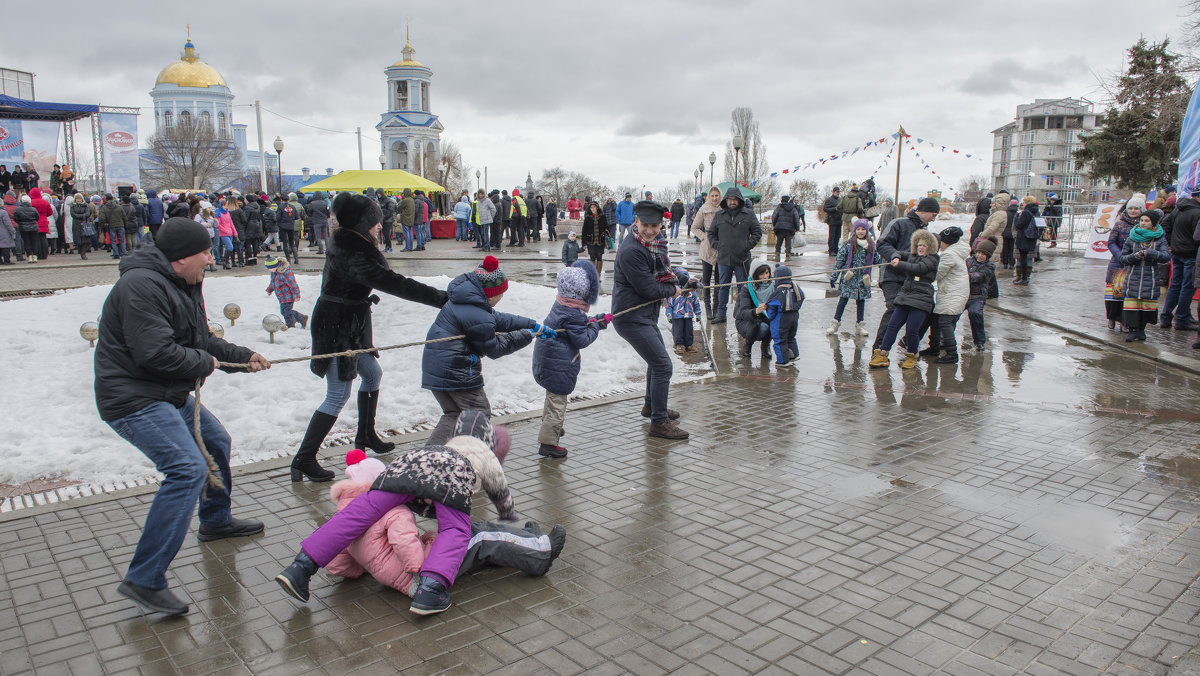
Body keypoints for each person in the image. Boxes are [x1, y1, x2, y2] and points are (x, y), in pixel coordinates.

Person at [95, 216, 270, 616]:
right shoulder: (140, 286)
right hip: (134, 399)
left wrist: (241, 357)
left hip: (166, 391)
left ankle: (215, 520)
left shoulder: (185, 282)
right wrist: (205, 362)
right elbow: (155, 353)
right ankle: (145, 578)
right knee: (187, 470)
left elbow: (199, 341)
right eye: (205, 253)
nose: (211, 260)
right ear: (179, 259)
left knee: (216, 441)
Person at [276, 411, 520, 615]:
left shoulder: (447, 445)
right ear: (488, 440)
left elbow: (426, 477)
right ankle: (431, 590)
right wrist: (507, 512)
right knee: (455, 530)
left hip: (404, 467)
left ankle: (301, 567)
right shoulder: (485, 453)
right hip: (451, 477)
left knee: (357, 514)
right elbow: (499, 488)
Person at [292, 192, 449, 482]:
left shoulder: (352, 242)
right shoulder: (354, 251)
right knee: (337, 394)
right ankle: (304, 457)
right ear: (363, 224)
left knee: (372, 374)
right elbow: (395, 283)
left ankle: (365, 434)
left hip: (351, 321)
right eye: (375, 222)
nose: (380, 227)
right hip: (336, 326)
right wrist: (442, 298)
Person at [321, 449, 566, 593]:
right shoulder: (390, 510)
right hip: (423, 574)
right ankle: (540, 554)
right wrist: (419, 574)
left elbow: (338, 565)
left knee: (476, 541)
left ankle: (529, 540)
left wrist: (370, 565)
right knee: (479, 536)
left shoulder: (344, 515)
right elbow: (404, 541)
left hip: (399, 577)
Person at [423, 255, 552, 445]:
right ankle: (473, 459)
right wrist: (526, 335)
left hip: (436, 367)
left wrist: (531, 324)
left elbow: (498, 319)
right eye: (501, 293)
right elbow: (495, 348)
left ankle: (431, 460)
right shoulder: (476, 312)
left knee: (454, 414)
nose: (502, 297)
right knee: (479, 415)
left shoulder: (467, 299)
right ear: (491, 293)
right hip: (457, 371)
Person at [611, 200, 690, 439]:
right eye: (645, 224)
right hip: (630, 316)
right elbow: (649, 289)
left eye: (654, 226)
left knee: (656, 362)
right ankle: (658, 422)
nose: (649, 230)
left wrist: (680, 278)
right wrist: (674, 290)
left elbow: (660, 271)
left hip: (643, 314)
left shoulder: (653, 244)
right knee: (663, 365)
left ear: (661, 224)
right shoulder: (632, 250)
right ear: (636, 222)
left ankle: (652, 406)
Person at [532, 262, 607, 458]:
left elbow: (579, 327)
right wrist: (596, 326)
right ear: (581, 293)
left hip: (547, 361)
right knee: (558, 403)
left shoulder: (561, 304)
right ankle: (548, 443)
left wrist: (595, 321)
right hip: (559, 366)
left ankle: (550, 427)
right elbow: (583, 339)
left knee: (552, 398)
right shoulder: (574, 314)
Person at [872, 197, 940, 351]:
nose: (933, 219)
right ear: (923, 210)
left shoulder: (924, 231)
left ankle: (909, 343)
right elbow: (882, 244)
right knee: (894, 309)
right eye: (933, 215)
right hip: (892, 277)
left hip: (913, 280)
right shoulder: (899, 223)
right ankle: (879, 349)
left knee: (927, 310)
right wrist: (895, 256)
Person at [869, 229, 940, 369]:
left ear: (930, 247)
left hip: (921, 300)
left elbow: (918, 269)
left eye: (924, 246)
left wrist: (899, 264)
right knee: (892, 325)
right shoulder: (912, 255)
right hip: (904, 297)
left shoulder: (932, 259)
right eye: (919, 245)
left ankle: (912, 355)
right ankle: (883, 353)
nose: (921, 247)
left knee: (912, 330)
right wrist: (895, 256)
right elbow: (900, 253)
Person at [708, 187, 762, 323]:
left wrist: (747, 245)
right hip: (724, 258)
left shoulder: (748, 214)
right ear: (726, 200)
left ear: (739, 200)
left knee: (743, 287)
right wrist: (717, 245)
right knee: (723, 286)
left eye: (734, 199)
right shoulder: (719, 215)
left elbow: (757, 232)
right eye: (729, 199)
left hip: (742, 258)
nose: (732, 202)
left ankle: (743, 313)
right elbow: (711, 233)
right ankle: (721, 314)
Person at [1120, 209, 1170, 342]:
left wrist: (1151, 254)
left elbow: (1165, 257)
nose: (1143, 223)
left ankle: (1141, 330)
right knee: (1132, 306)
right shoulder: (1132, 237)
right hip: (1133, 277)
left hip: (1150, 277)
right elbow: (1123, 258)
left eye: (1146, 221)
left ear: (1153, 223)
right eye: (1141, 220)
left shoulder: (1159, 238)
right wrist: (1135, 256)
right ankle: (1132, 330)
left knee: (1146, 307)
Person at [828, 219, 880, 337]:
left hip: (863, 279)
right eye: (858, 229)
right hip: (849, 278)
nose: (860, 232)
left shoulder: (870, 245)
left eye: (863, 229)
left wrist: (881, 252)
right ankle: (835, 323)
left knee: (861, 301)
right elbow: (839, 262)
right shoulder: (848, 245)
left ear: (867, 231)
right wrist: (834, 276)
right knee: (843, 300)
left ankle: (860, 326)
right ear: (855, 230)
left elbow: (877, 260)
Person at [930, 227, 971, 364]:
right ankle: (934, 348)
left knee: (944, 321)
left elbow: (936, 274)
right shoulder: (956, 252)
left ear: (945, 242)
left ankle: (952, 353)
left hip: (953, 293)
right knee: (937, 320)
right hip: (955, 292)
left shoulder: (949, 255)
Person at [1161, 187, 1199, 330]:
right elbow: (1197, 236)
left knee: (1175, 286)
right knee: (1187, 288)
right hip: (1191, 254)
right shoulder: (1197, 212)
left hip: (1177, 253)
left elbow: (1165, 225)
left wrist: (1172, 243)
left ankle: (1166, 317)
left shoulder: (1179, 208)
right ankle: (1182, 320)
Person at [1105, 195, 1143, 331]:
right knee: (1115, 294)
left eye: (1136, 209)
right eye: (1131, 208)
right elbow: (1111, 242)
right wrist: (1120, 255)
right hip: (1119, 262)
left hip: (1135, 264)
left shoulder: (1144, 225)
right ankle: (1112, 318)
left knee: (1129, 296)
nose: (1133, 211)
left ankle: (1125, 321)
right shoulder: (1120, 224)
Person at [735, 258, 774, 358]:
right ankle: (748, 344)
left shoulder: (773, 286)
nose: (765, 277)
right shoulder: (747, 289)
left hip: (765, 318)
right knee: (761, 327)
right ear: (755, 275)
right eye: (761, 274)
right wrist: (756, 311)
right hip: (746, 321)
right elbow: (743, 312)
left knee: (774, 321)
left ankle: (765, 345)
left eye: (766, 273)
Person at [765, 265, 804, 367]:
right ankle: (794, 355)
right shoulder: (795, 287)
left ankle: (782, 361)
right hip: (794, 316)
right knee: (791, 337)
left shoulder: (778, 292)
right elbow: (802, 297)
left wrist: (770, 316)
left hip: (781, 319)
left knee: (779, 340)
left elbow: (772, 308)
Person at [693, 187, 722, 314]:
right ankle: (708, 307)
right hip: (707, 248)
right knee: (706, 278)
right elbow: (694, 227)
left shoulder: (724, 208)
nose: (715, 198)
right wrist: (704, 236)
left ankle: (716, 306)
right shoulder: (704, 209)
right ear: (709, 197)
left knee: (718, 280)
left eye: (717, 195)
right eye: (712, 196)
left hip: (721, 247)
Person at [966, 240, 998, 351]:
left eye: (983, 254)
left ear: (988, 256)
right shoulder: (968, 261)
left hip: (978, 296)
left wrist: (964, 276)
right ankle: (943, 339)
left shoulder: (990, 266)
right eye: (978, 253)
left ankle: (979, 342)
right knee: (951, 316)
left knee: (976, 314)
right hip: (964, 294)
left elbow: (979, 276)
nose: (979, 256)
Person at [665, 267, 702, 354]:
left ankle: (689, 345)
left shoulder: (691, 292)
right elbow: (669, 304)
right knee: (678, 330)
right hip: (677, 315)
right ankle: (679, 345)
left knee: (689, 330)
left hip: (688, 315)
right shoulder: (674, 291)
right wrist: (669, 314)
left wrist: (698, 314)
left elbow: (696, 303)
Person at [265, 255, 308, 330]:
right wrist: (269, 290)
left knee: (287, 311)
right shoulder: (274, 272)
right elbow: (273, 283)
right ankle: (302, 318)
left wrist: (297, 295)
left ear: (275, 265)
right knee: (284, 311)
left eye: (270, 268)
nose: (269, 270)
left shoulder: (285, 272)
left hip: (288, 296)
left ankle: (291, 325)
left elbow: (293, 284)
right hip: (281, 297)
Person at [1012, 196, 1040, 286]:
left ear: (1027, 203)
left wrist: (1016, 218)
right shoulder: (1036, 211)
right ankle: (1026, 277)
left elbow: (1019, 225)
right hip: (1032, 238)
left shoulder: (1025, 212)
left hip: (1024, 238)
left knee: (1023, 258)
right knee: (1028, 258)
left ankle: (1023, 278)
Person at [581, 201, 609, 275]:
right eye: (591, 207)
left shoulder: (603, 217)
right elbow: (584, 231)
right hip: (591, 241)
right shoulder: (587, 218)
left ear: (597, 208)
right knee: (592, 257)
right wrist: (584, 243)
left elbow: (607, 228)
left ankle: (598, 274)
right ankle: (593, 274)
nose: (592, 209)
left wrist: (606, 234)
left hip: (600, 241)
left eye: (594, 207)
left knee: (599, 257)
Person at [771, 195, 803, 260]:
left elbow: (774, 217)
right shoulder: (793, 208)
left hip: (780, 228)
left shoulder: (779, 207)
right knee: (788, 242)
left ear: (782, 200)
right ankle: (788, 253)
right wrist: (797, 228)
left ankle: (777, 253)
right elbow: (796, 219)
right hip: (790, 228)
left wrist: (775, 225)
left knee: (779, 242)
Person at [99, 192, 128, 259]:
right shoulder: (119, 206)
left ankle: (116, 254)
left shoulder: (104, 208)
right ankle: (123, 253)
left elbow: (102, 218)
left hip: (111, 226)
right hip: (120, 225)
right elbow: (124, 217)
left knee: (113, 241)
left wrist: (104, 225)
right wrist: (125, 225)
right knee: (122, 240)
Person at [69, 193, 93, 260]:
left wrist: (81, 216)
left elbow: (88, 213)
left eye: (79, 198)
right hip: (76, 224)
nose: (78, 200)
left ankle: (83, 253)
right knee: (78, 240)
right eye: (77, 199)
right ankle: (80, 250)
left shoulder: (86, 206)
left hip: (84, 223)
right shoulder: (72, 206)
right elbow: (73, 214)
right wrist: (81, 216)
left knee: (85, 240)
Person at [823, 187, 843, 256]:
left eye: (838, 192)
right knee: (832, 236)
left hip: (839, 220)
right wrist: (834, 209)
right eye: (837, 192)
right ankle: (831, 250)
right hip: (832, 220)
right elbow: (825, 209)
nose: (838, 193)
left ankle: (836, 249)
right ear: (833, 192)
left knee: (838, 236)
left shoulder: (840, 199)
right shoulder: (829, 200)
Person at [1001, 197, 1019, 270]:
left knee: (1005, 248)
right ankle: (1011, 263)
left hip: (1005, 233)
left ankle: (1005, 263)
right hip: (1013, 234)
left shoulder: (1006, 213)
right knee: (1012, 249)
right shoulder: (1017, 214)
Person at [0, 195, 14, 264]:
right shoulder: (3, 212)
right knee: (5, 247)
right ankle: (7, 260)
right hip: (3, 232)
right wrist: (12, 231)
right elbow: (8, 223)